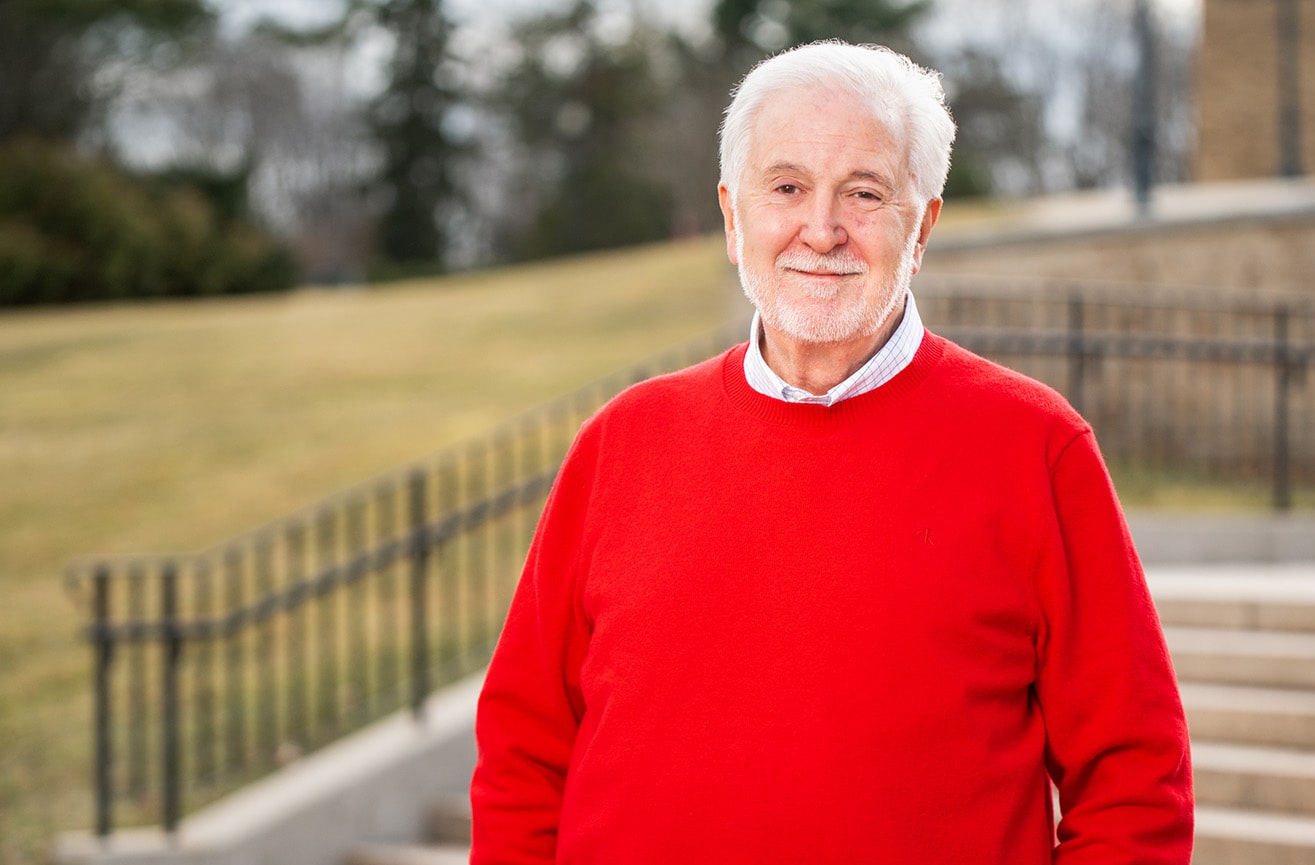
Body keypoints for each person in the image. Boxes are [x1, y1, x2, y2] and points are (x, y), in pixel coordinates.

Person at [469, 40, 1193, 865]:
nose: (821, 229)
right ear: (734, 217)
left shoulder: (1036, 448)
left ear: (920, 226)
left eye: (864, 193)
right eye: (786, 188)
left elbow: (1135, 782)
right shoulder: (620, 444)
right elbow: (523, 756)